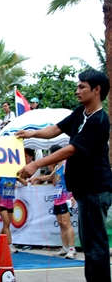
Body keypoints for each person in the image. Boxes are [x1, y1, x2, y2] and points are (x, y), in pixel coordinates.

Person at [17, 69, 112, 281]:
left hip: (95, 190)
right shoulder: (81, 113)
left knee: (95, 246)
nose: (77, 90)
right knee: (89, 244)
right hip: (84, 190)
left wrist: (37, 164)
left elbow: (71, 149)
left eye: (82, 87)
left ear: (96, 90)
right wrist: (31, 133)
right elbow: (57, 129)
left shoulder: (99, 121)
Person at [31, 145, 77, 259]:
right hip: (57, 198)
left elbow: (75, 179)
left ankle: (72, 248)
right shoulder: (57, 167)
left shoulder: (67, 165)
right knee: (61, 224)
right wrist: (37, 178)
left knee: (66, 223)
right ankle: (65, 247)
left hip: (66, 197)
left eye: (52, 154)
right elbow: (50, 177)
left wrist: (74, 196)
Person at [0, 173, 28, 254]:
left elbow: (25, 183)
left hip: (10, 202)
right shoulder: (0, 174)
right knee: (6, 223)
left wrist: (18, 177)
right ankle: (10, 245)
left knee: (7, 224)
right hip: (1, 202)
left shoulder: (14, 175)